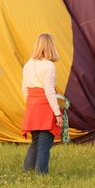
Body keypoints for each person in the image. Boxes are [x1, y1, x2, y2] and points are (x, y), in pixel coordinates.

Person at [21, 33, 63, 175]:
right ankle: (41, 176)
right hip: (45, 109)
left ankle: (27, 173)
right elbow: (49, 91)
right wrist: (57, 113)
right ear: (51, 46)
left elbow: (24, 88)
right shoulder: (48, 66)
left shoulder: (28, 64)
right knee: (44, 146)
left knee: (35, 144)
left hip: (32, 107)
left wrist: (31, 103)